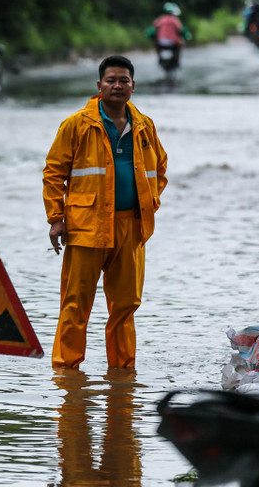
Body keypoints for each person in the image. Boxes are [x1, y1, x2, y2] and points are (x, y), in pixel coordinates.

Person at [42, 55, 168, 369]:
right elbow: (54, 173)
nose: (117, 86)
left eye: (123, 80)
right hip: (86, 227)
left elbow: (160, 170)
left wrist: (149, 203)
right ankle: (66, 372)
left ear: (133, 86)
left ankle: (122, 373)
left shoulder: (144, 126)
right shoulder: (76, 125)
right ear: (99, 86)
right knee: (76, 303)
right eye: (111, 80)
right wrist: (56, 218)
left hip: (131, 228)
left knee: (126, 305)